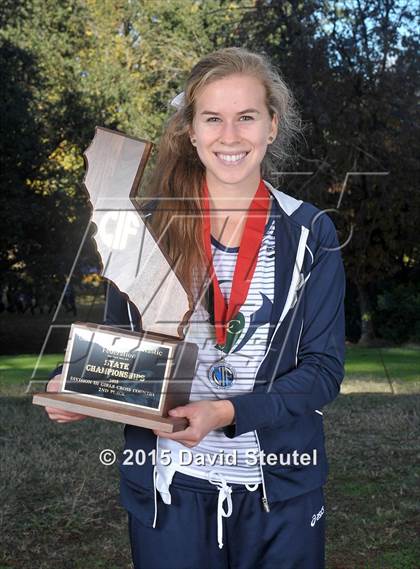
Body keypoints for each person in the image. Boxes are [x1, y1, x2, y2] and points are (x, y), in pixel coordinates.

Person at [45, 47, 346, 569]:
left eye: (246, 117)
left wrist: (226, 412)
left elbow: (322, 372)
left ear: (271, 126)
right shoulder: (149, 229)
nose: (230, 136)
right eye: (213, 118)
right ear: (192, 129)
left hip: (280, 491)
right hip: (171, 488)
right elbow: (118, 343)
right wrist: (73, 387)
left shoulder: (311, 231)